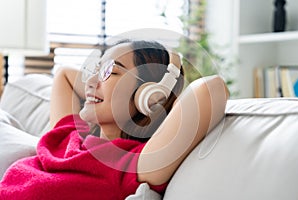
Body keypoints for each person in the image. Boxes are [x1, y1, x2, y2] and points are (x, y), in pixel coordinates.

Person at [0, 40, 229, 199]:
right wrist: (103, 82)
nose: (91, 82)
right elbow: (64, 75)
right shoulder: (69, 134)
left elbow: (212, 89)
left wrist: (162, 88)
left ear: (147, 94)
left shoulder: (133, 164)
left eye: (111, 71)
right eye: (96, 70)